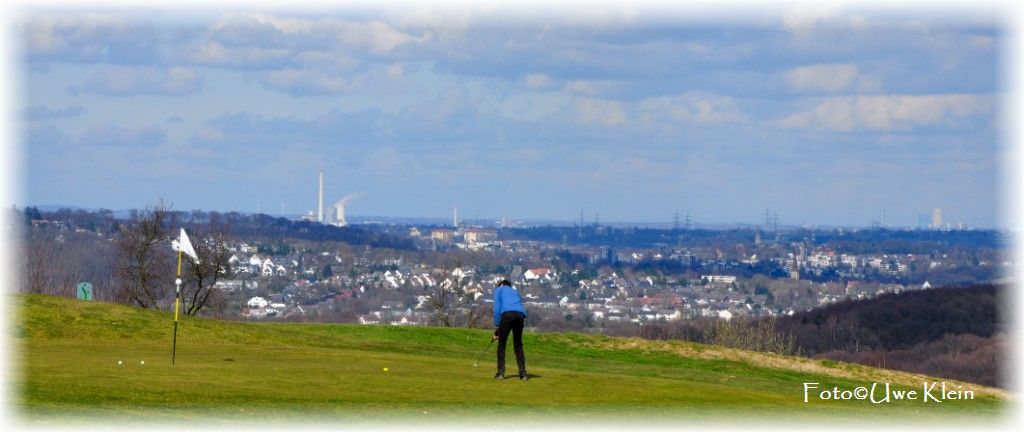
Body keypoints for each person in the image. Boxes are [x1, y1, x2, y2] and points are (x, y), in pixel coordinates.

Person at [492, 279, 528, 380]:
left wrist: (497, 327)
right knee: (518, 344)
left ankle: (501, 372)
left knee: (502, 344)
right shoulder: (514, 291)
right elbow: (521, 308)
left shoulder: (499, 290)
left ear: (501, 285)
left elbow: (496, 309)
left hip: (507, 314)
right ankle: (523, 373)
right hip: (520, 316)